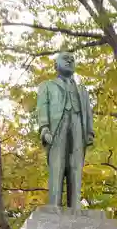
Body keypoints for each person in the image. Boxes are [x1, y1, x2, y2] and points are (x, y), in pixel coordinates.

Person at [36, 51, 94, 208]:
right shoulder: (47, 86)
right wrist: (44, 128)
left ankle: (75, 204)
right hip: (57, 127)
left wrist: (89, 132)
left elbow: (88, 112)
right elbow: (42, 107)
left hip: (78, 126)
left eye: (72, 59)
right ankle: (54, 204)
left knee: (76, 164)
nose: (69, 61)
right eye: (65, 59)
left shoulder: (82, 90)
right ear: (56, 65)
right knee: (58, 162)